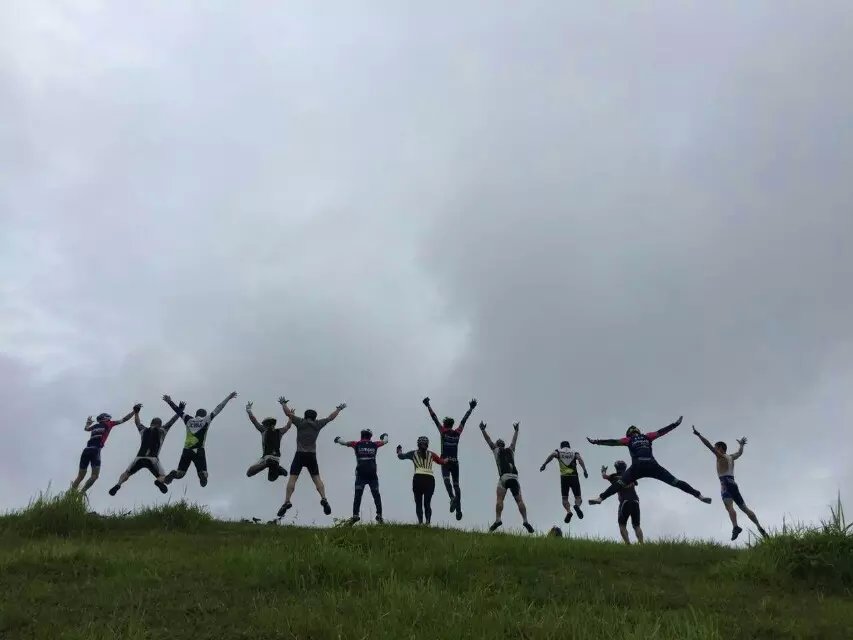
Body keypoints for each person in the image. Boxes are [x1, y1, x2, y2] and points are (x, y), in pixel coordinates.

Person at [586, 417, 713, 506]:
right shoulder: (647, 436)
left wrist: (597, 442)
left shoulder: (628, 440)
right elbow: (661, 432)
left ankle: (600, 498)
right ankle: (699, 495)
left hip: (637, 467)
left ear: (629, 434)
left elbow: (613, 442)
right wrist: (675, 424)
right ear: (637, 431)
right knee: (675, 482)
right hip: (652, 466)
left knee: (618, 484)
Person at [692, 426, 768, 540]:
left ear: (720, 448)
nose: (714, 449)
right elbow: (739, 453)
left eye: (716, 447)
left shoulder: (720, 456)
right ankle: (759, 526)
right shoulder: (731, 457)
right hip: (733, 483)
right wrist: (741, 445)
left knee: (729, 507)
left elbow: (708, 445)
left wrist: (699, 435)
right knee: (744, 508)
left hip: (725, 484)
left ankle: (735, 527)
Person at [276, 396, 346, 518]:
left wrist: (283, 403)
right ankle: (323, 498)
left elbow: (288, 414)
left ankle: (287, 501)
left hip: (299, 454)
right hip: (311, 455)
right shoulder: (318, 424)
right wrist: (339, 409)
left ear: (305, 416)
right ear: (315, 417)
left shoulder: (300, 422)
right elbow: (330, 418)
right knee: (317, 478)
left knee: (292, 479)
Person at [109, 401, 186, 496]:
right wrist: (180, 410)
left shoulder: (144, 430)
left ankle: (118, 484)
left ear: (151, 423)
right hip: (153, 459)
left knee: (127, 473)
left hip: (139, 458)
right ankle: (159, 481)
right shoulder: (163, 430)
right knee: (164, 477)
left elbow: (137, 423)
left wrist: (136, 412)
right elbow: (172, 421)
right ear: (160, 424)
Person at [162, 391, 238, 487]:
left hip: (186, 450)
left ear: (196, 414)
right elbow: (219, 407)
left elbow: (178, 411)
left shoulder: (188, 419)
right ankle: (202, 475)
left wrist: (169, 401)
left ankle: (174, 474)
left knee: (180, 474)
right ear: (204, 415)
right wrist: (229, 397)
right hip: (199, 450)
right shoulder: (206, 419)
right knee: (203, 472)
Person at [423, 396, 477, 520]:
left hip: (445, 461)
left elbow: (434, 418)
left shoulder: (443, 431)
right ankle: (459, 510)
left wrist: (428, 405)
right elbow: (464, 420)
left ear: (444, 424)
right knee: (456, 485)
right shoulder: (457, 432)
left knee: (447, 481)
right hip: (455, 462)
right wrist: (471, 408)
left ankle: (452, 498)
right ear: (452, 425)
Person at [480, 421, 535, 533]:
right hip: (514, 477)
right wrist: (516, 430)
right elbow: (514, 441)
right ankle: (525, 520)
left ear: (497, 444)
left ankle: (498, 519)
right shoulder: (511, 450)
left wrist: (483, 430)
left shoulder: (496, 450)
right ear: (504, 445)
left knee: (500, 499)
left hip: (504, 477)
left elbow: (488, 440)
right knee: (519, 500)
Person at [71, 404, 139, 493]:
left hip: (86, 450)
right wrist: (134, 412)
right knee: (95, 476)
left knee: (80, 476)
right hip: (96, 450)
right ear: (106, 418)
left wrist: (88, 423)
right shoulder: (109, 423)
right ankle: (81, 493)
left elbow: (86, 429)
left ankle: (70, 494)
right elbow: (124, 419)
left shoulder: (95, 426)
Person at [335, 428, 389, 524]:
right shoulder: (374, 444)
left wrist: (338, 439)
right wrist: (385, 435)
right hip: (372, 475)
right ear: (370, 436)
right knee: (376, 495)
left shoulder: (356, 444)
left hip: (360, 475)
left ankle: (355, 515)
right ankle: (379, 516)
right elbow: (385, 441)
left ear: (362, 435)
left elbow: (344, 443)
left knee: (358, 496)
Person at [396, 436, 450, 525]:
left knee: (418, 503)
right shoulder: (431, 454)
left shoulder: (413, 453)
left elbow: (401, 456)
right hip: (430, 479)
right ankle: (428, 522)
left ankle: (420, 523)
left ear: (418, 444)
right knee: (427, 503)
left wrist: (399, 450)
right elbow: (442, 462)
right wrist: (448, 458)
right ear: (427, 444)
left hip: (418, 478)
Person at [539, 440, 589, 524]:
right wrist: (585, 470)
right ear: (569, 446)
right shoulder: (574, 452)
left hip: (564, 478)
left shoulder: (558, 451)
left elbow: (552, 455)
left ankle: (569, 511)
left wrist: (544, 464)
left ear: (561, 446)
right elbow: (580, 459)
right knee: (578, 498)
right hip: (574, 477)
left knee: (564, 498)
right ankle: (577, 506)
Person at [245, 401, 290, 481]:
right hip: (276, 459)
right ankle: (278, 468)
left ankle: (266, 464)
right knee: (271, 479)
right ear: (273, 424)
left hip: (266, 457)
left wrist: (248, 410)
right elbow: (288, 426)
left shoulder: (263, 430)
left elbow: (254, 420)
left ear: (265, 425)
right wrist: (291, 416)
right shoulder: (280, 431)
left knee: (249, 473)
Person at [601, 461, 643, 545]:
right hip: (635, 501)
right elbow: (636, 483)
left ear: (616, 468)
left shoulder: (614, 476)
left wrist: (603, 470)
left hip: (624, 502)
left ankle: (628, 544)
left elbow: (604, 476)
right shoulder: (630, 475)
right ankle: (642, 544)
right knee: (636, 525)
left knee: (622, 525)